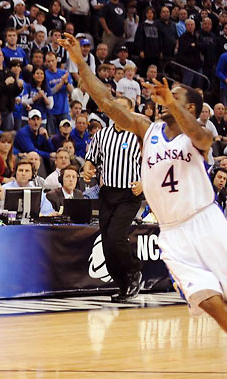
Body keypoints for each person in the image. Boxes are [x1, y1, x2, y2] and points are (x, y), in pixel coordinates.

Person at [59, 32, 227, 333]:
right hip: (172, 233)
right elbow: (109, 104)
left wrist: (174, 107)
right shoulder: (146, 130)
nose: (164, 98)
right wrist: (80, 63)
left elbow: (204, 138)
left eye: (174, 96)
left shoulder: (197, 136)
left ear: (190, 108)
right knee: (207, 299)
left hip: (206, 222)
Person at [83, 94, 145, 301]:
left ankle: (133, 271)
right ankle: (123, 284)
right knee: (107, 241)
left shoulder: (139, 135)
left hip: (130, 194)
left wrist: (144, 182)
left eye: (121, 108)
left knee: (117, 236)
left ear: (130, 112)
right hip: (108, 192)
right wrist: (87, 170)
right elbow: (91, 160)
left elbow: (153, 164)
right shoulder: (102, 135)